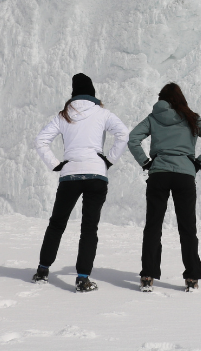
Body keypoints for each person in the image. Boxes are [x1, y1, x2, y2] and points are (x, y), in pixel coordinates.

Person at [32, 73, 129, 292]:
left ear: (73, 94)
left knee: (57, 223)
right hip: (96, 175)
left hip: (70, 175)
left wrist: (56, 164)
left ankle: (42, 270)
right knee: (89, 228)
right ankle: (82, 278)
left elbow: (41, 140)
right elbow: (123, 134)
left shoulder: (64, 115)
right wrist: (109, 159)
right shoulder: (103, 113)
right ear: (92, 93)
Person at [127, 82, 201, 292]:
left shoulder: (153, 118)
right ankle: (191, 278)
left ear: (161, 99)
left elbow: (133, 139)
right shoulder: (191, 118)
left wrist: (145, 162)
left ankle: (147, 276)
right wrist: (197, 163)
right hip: (184, 176)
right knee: (187, 227)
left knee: (153, 226)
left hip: (158, 174)